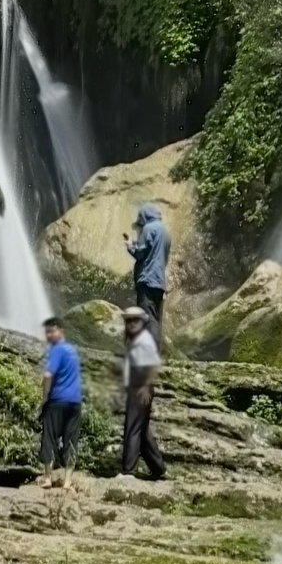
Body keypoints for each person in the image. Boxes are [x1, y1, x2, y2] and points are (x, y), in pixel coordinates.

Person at [119, 303, 165, 481]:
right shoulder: (135, 340)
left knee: (132, 427)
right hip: (135, 387)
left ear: (142, 322)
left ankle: (129, 471)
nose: (130, 324)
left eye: (134, 321)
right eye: (128, 321)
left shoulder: (144, 341)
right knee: (142, 430)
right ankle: (158, 467)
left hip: (141, 388)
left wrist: (146, 387)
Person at [38, 315, 84, 483]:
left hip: (57, 400)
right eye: (47, 332)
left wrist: (45, 399)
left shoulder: (56, 349)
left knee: (49, 436)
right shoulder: (73, 350)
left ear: (61, 331)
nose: (49, 336)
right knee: (71, 439)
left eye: (52, 331)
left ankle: (48, 478)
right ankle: (67, 481)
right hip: (75, 402)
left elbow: (48, 374)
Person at [125, 202, 171, 334]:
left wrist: (129, 246)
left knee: (147, 318)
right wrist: (136, 242)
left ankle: (151, 351)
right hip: (159, 283)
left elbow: (140, 254)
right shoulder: (165, 232)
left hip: (147, 281)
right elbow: (157, 253)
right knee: (154, 318)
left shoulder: (148, 229)